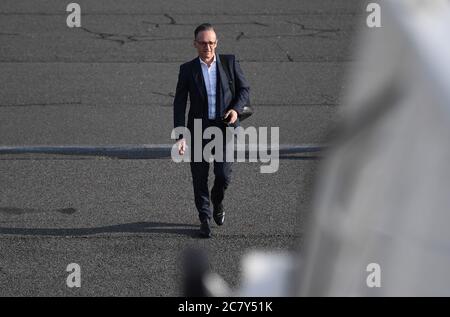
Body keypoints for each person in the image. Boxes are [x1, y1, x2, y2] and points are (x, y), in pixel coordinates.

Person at [173, 23, 250, 238]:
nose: (208, 47)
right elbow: (179, 103)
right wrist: (180, 136)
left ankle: (217, 201)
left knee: (223, 175)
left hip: (224, 127)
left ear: (216, 43)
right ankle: (204, 218)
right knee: (199, 177)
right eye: (203, 43)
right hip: (198, 129)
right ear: (195, 44)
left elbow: (245, 89)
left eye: (211, 42)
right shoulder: (187, 70)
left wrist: (235, 109)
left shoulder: (229, 63)